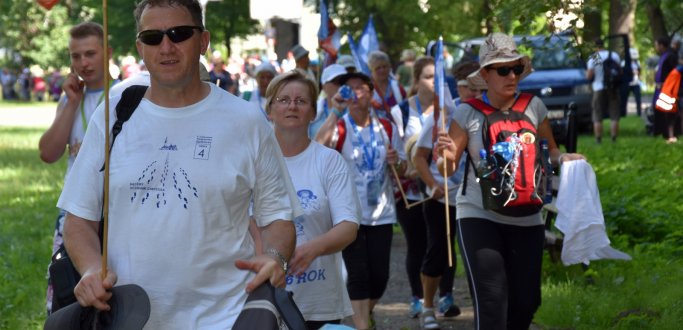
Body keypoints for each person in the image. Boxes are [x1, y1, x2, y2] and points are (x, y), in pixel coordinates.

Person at [57, 0, 297, 327]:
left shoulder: (245, 120)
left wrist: (275, 257)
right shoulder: (113, 116)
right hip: (128, 316)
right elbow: (79, 219)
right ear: (140, 46)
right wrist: (88, 268)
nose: (166, 46)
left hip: (225, 317)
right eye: (153, 37)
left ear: (203, 41)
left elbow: (278, 217)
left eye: (179, 33)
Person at [435, 33, 585, 330]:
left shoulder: (534, 106)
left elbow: (550, 150)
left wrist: (563, 158)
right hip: (479, 215)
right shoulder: (468, 113)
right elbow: (447, 166)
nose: (512, 75)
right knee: (492, 302)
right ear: (486, 75)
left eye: (516, 68)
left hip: (527, 217)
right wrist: (446, 154)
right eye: (503, 70)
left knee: (526, 303)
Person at [265, 70, 360, 330]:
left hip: (318, 300)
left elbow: (348, 226)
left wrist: (312, 248)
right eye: (283, 100)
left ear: (313, 111)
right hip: (261, 298)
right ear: (269, 109)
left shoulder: (329, 161)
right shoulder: (252, 161)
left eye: (301, 100)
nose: (292, 106)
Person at [316, 70, 407, 330]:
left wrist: (396, 163)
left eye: (360, 88)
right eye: (349, 89)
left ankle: (364, 314)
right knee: (358, 276)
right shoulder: (340, 126)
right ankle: (361, 325)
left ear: (371, 93)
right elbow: (318, 146)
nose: (354, 94)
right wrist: (334, 110)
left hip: (382, 213)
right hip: (348, 215)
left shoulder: (386, 127)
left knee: (380, 277)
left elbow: (403, 170)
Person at [38, 21, 113, 315]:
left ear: (108, 53)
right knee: (71, 281)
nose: (83, 62)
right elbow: (48, 152)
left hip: (113, 210)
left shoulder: (124, 95)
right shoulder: (70, 99)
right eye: (75, 56)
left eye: (90, 53)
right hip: (75, 210)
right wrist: (71, 103)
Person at [408, 59, 482, 330]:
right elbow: (419, 157)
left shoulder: (484, 113)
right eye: (467, 87)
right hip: (443, 197)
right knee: (437, 251)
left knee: (477, 254)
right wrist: (433, 185)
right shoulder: (442, 115)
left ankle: (484, 311)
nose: (473, 93)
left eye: (478, 87)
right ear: (458, 87)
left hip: (474, 197)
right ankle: (428, 307)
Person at [586, 38, 621, 144]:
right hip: (612, 88)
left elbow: (589, 76)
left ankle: (598, 140)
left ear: (595, 47)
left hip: (598, 88)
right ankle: (614, 139)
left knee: (597, 114)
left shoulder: (593, 58)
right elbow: (619, 71)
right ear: (603, 45)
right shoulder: (614, 55)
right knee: (614, 115)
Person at [652, 37, 680, 143]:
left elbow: (674, 74)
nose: (656, 47)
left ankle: (670, 134)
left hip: (668, 89)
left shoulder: (670, 56)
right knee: (661, 111)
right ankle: (662, 133)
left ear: (661, 45)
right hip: (661, 89)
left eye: (657, 45)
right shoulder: (664, 56)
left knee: (668, 112)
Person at [309, 64, 347, 138]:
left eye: (343, 82)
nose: (340, 85)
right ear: (324, 87)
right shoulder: (313, 113)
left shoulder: (355, 108)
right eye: (335, 82)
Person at [368, 50, 407, 121]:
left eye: (385, 66)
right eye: (378, 68)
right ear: (371, 69)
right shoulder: (366, 89)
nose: (382, 70)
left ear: (389, 67)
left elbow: (406, 108)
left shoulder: (397, 87)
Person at [623, 47, 643, 117]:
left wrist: (637, 73)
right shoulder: (624, 62)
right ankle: (623, 113)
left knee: (638, 99)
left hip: (636, 83)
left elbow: (639, 71)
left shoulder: (637, 62)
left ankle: (639, 113)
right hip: (627, 83)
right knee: (624, 99)